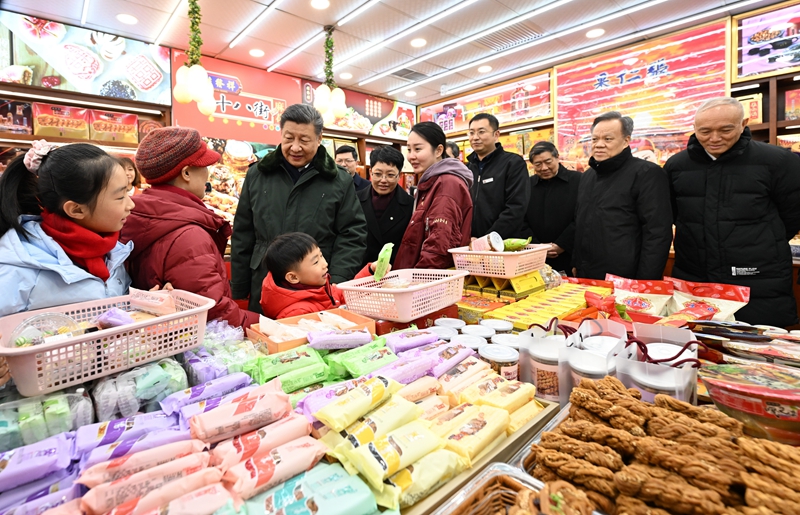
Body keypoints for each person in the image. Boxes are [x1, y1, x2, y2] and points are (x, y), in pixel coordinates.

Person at [665, 97, 800, 327]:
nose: (714, 138)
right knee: (695, 347)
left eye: (725, 129)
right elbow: (675, 214)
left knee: (757, 349)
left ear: (743, 123)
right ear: (694, 128)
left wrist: (758, 242)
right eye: (705, 131)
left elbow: (792, 215)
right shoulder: (677, 165)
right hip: (694, 275)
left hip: (759, 278)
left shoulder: (778, 161)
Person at [231, 104, 367, 313]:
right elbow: (243, 233)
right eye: (288, 138)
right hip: (265, 283)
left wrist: (337, 280)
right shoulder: (257, 175)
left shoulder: (338, 180)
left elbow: (352, 234)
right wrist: (240, 287)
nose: (295, 147)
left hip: (316, 288)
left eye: (304, 140)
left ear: (319, 138)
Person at [120, 127, 259, 329]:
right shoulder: (188, 235)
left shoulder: (143, 212)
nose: (207, 173)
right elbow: (214, 312)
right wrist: (268, 325)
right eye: (203, 166)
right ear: (186, 173)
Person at [0, 141, 133, 316]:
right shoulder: (18, 268)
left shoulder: (112, 251)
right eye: (120, 197)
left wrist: (146, 302)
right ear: (76, 209)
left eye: (128, 192)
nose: (131, 204)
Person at [573, 111, 672, 280]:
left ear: (626, 141)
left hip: (626, 277)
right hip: (587, 273)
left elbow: (657, 232)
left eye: (608, 139)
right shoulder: (588, 176)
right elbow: (581, 223)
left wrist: (645, 281)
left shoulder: (647, 173)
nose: (599, 144)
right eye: (595, 139)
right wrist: (575, 262)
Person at [394, 122, 473, 269]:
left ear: (438, 150)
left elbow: (439, 244)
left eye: (418, 149)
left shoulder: (447, 184)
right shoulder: (433, 181)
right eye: (409, 149)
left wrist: (419, 280)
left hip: (428, 281)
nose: (411, 156)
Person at [259, 232, 374, 319]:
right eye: (315, 262)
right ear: (293, 277)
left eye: (321, 255)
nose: (325, 264)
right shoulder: (296, 313)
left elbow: (346, 294)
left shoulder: (320, 287)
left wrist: (370, 272)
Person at [466, 113, 530, 239]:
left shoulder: (513, 163)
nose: (475, 137)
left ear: (496, 135)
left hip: (503, 244)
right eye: (471, 133)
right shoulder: (467, 168)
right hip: (470, 243)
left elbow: (516, 207)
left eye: (481, 132)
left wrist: (488, 240)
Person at [524, 141, 581, 274]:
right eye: (538, 164)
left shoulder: (578, 181)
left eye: (548, 161)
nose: (544, 168)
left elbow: (583, 217)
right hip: (535, 257)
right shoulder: (527, 185)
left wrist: (562, 245)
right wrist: (537, 247)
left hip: (570, 254)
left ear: (557, 157)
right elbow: (520, 218)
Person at [356, 145, 413, 267]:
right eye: (378, 174)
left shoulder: (411, 205)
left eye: (390, 175)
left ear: (400, 176)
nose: (383, 180)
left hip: (395, 274)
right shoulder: (355, 200)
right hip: (360, 273)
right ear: (370, 172)